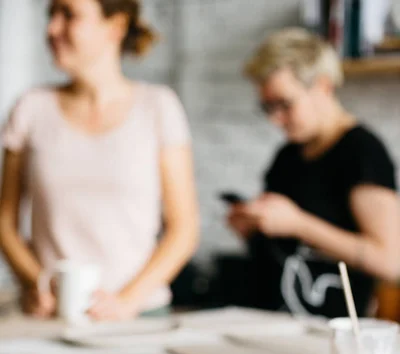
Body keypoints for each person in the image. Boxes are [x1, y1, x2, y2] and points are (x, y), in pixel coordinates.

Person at [0, 0, 198, 320]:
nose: (51, 29)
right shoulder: (30, 108)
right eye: (51, 15)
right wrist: (37, 281)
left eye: (69, 14)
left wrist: (126, 301)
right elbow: (4, 222)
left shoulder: (158, 107)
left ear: (115, 27)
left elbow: (183, 228)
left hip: (140, 315)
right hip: (53, 315)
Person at [227, 28, 400, 318]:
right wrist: (253, 226)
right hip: (272, 322)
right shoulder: (288, 155)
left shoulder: (361, 152)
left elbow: (391, 261)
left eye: (284, 104)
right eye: (267, 107)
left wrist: (298, 224)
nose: (275, 118)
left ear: (323, 86)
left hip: (327, 332)